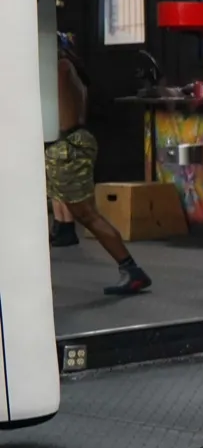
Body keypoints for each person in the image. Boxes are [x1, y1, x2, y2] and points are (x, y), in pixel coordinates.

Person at [47, 33, 151, 294]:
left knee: (87, 215)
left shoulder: (59, 67)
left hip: (66, 146)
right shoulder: (67, 66)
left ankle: (131, 269)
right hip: (69, 144)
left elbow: (60, 116)